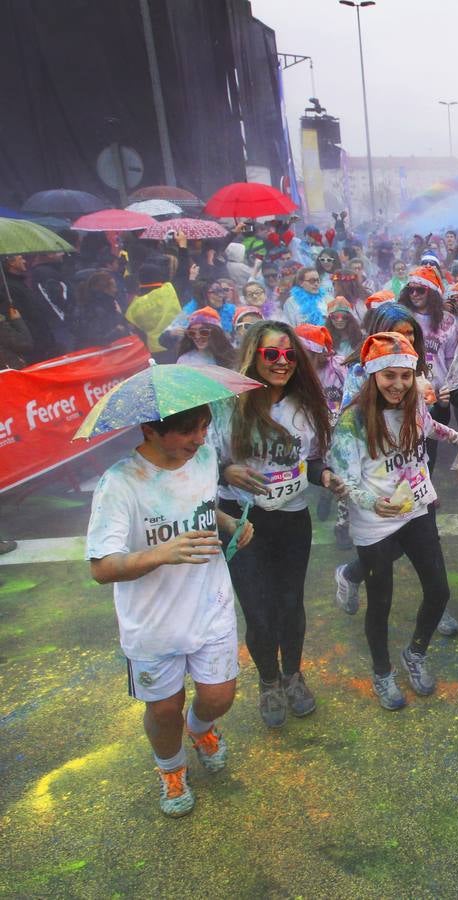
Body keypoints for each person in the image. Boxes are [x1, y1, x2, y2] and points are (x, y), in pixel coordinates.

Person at [86, 402, 253, 817]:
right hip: (153, 622)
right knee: (163, 710)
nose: (200, 439)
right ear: (150, 430)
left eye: (204, 427)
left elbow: (200, 507)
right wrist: (161, 553)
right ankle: (171, 769)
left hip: (209, 602)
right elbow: (101, 567)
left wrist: (228, 522)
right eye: (187, 432)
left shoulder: (205, 458)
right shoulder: (119, 484)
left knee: (219, 697)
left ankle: (201, 730)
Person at [328, 332, 458, 710]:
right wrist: (370, 500)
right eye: (389, 377)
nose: (398, 384)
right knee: (380, 604)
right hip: (375, 522)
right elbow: (344, 475)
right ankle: (382, 672)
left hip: (417, 509)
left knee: (439, 591)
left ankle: (415, 654)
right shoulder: (352, 421)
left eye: (405, 375)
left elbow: (433, 429)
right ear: (372, 377)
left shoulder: (415, 404)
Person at [211, 320, 343, 727]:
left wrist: (324, 477)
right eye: (272, 354)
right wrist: (226, 472)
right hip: (241, 523)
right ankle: (268, 682)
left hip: (291, 520)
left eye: (289, 355)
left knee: (290, 606)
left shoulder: (306, 404)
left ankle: (293, 676)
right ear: (254, 356)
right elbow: (202, 462)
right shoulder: (226, 404)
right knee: (258, 610)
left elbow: (315, 458)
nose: (282, 362)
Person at [125, 262, 183, 361]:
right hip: (177, 343)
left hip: (155, 350)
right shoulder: (169, 290)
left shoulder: (133, 308)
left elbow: (137, 331)